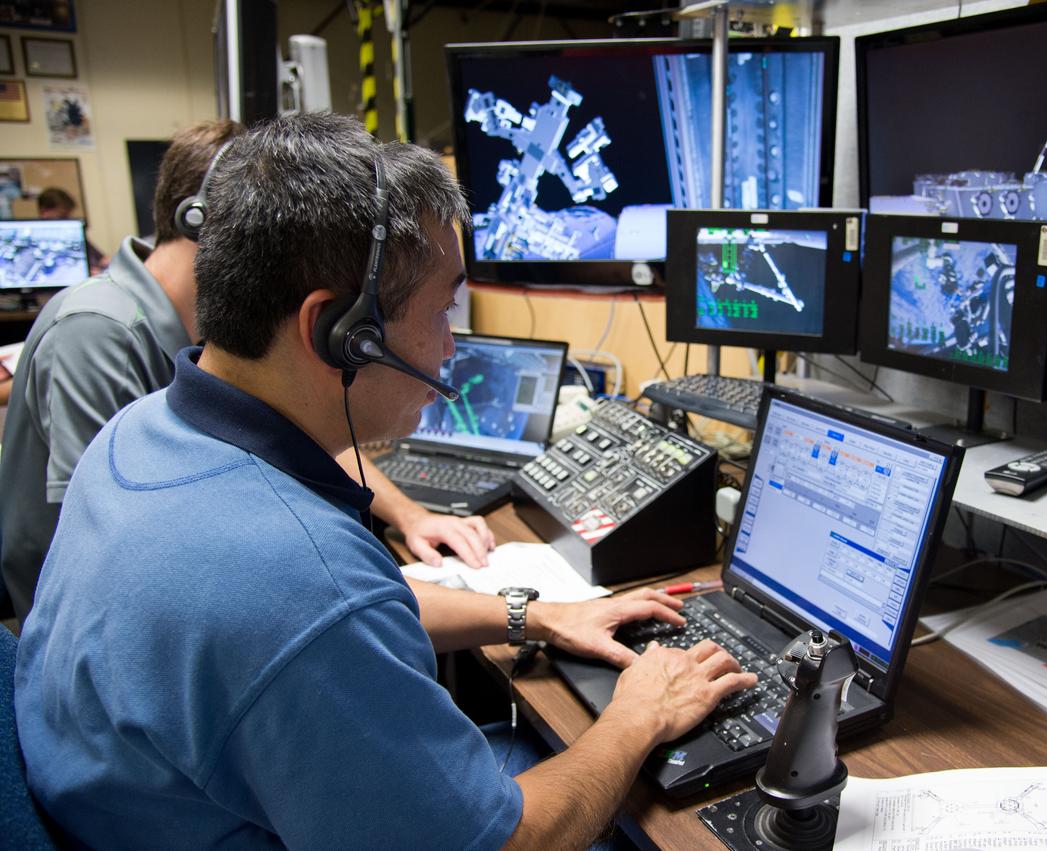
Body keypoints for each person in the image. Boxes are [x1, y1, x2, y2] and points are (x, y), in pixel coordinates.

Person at [14, 112, 755, 849]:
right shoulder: (297, 585)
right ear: (337, 332)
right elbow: (502, 841)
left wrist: (536, 614)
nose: (450, 344)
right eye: (441, 310)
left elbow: (347, 614)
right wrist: (640, 714)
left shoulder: (139, 433)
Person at [0, 120, 497, 627]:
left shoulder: (168, 400)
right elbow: (147, 564)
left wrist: (409, 515)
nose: (450, 345)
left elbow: (303, 424)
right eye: (443, 310)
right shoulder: (99, 332)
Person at [35, 186, 107, 274]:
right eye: (62, 216)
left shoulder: (72, 235)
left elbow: (103, 259)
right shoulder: (39, 242)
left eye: (68, 217)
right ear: (44, 212)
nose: (67, 221)